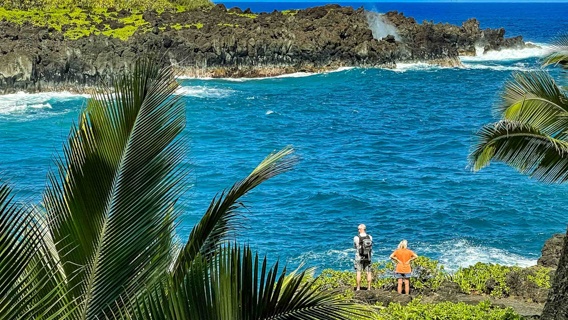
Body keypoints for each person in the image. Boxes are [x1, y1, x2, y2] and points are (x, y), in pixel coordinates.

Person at [353, 224, 373, 291]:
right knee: (368, 272)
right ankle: (369, 288)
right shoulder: (370, 237)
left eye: (358, 229)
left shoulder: (356, 237)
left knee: (358, 272)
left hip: (359, 256)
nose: (358, 230)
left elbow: (356, 246)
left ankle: (358, 288)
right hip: (368, 256)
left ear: (361, 229)